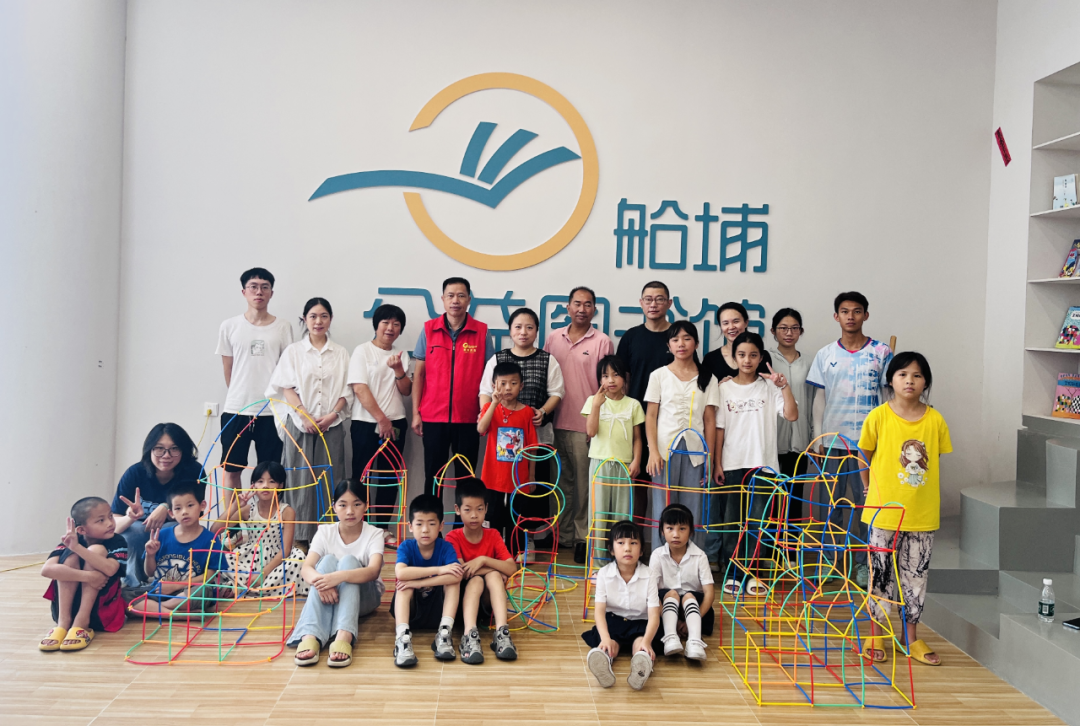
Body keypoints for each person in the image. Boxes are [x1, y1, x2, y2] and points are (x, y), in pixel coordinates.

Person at [858, 352, 951, 667]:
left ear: (925, 382)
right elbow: (864, 454)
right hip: (883, 513)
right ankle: (876, 634)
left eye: (917, 375)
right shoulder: (878, 417)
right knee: (880, 575)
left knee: (916, 578)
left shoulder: (935, 420)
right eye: (902, 374)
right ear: (891, 380)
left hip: (922, 515)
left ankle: (909, 638)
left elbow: (934, 459)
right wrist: (868, 488)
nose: (909, 380)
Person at [806, 292, 893, 588]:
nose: (851, 316)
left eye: (857, 311)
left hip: (868, 445)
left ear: (866, 315)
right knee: (831, 505)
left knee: (865, 505)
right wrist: (817, 437)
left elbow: (888, 396)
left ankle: (864, 564)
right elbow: (819, 398)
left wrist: (886, 438)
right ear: (836, 316)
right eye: (845, 311)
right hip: (833, 442)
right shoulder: (825, 354)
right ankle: (830, 562)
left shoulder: (881, 352)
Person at [712, 332, 798, 597]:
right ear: (734, 357)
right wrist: (717, 464)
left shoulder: (770, 387)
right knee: (732, 523)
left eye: (753, 355)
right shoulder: (724, 388)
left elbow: (792, 415)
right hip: (732, 463)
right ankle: (734, 573)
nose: (747, 360)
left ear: (761, 358)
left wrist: (784, 386)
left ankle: (754, 573)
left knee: (759, 523)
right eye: (741, 355)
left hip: (764, 465)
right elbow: (719, 429)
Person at [268, 297, 352, 545]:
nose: (318, 321)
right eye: (313, 316)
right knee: (298, 478)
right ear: (304, 319)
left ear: (331, 319)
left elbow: (348, 390)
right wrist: (304, 415)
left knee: (330, 477)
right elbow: (285, 386)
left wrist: (333, 415)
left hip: (331, 424)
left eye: (324, 316)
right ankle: (298, 538)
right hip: (299, 424)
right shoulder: (294, 351)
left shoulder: (341, 353)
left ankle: (329, 536)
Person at [480, 307, 564, 554]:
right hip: (499, 434)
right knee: (498, 498)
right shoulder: (497, 359)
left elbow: (557, 392)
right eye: (518, 327)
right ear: (510, 330)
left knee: (532, 488)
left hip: (534, 433)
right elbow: (485, 391)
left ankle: (527, 538)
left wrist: (542, 412)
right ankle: (498, 544)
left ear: (537, 331)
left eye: (529, 327)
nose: (523, 332)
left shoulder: (547, 359)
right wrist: (488, 411)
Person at [544, 286, 614, 563]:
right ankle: (561, 534)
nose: (582, 309)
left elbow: (607, 386)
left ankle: (583, 538)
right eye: (577, 303)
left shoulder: (602, 341)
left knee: (585, 486)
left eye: (587, 304)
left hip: (585, 425)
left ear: (594, 309)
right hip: (555, 422)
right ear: (568, 307)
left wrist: (595, 423)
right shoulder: (553, 338)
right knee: (560, 483)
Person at [412, 277, 495, 498]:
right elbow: (419, 375)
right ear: (443, 299)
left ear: (469, 299)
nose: (455, 300)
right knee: (433, 477)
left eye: (460, 295)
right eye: (450, 295)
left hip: (468, 418)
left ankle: (463, 521)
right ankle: (431, 520)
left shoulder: (482, 332)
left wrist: (485, 413)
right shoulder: (428, 330)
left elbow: (489, 378)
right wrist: (416, 413)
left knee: (466, 480)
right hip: (433, 417)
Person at [290, 479, 385, 668]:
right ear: (334, 507)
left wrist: (338, 577)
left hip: (365, 599)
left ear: (366, 506)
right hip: (329, 595)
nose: (350, 511)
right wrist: (322, 584)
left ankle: (344, 635)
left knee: (349, 561)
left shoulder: (374, 533)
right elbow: (306, 568)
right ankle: (311, 635)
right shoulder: (325, 532)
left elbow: (373, 571)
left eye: (357, 504)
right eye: (343, 505)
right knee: (326, 561)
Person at [216, 267, 294, 493]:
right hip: (236, 409)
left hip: (272, 411)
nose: (259, 292)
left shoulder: (283, 327)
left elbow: (287, 370)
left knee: (270, 473)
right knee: (232, 470)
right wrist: (241, 394)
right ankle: (233, 516)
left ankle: (266, 516)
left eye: (264, 287)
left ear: (271, 293)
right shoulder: (229, 326)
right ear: (244, 292)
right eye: (253, 287)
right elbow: (228, 369)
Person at [644, 321, 718, 552]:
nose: (681, 344)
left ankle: (693, 562)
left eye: (687, 338)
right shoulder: (659, 375)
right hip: (663, 452)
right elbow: (651, 416)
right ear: (669, 345)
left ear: (696, 343)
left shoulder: (709, 378)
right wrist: (652, 451)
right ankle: (660, 561)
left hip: (696, 452)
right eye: (675, 339)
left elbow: (709, 421)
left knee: (693, 509)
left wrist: (710, 459)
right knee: (662, 508)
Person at [111, 422, 206, 587]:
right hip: (139, 528)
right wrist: (130, 518)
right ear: (150, 449)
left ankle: (170, 582)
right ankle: (133, 586)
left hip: (174, 526)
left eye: (174, 448)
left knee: (170, 531)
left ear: (183, 450)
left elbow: (194, 514)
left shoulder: (193, 471)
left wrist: (166, 507)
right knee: (133, 533)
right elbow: (114, 527)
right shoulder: (135, 473)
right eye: (159, 448)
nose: (166, 455)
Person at [349, 303, 412, 542]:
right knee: (362, 476)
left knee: (389, 478)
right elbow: (359, 388)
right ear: (376, 325)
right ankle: (360, 527)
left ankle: (382, 529)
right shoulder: (362, 351)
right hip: (365, 423)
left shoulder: (402, 355)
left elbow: (406, 390)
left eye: (396, 324)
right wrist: (381, 419)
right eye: (386, 322)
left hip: (396, 423)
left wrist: (398, 370)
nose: (390, 328)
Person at [616, 282, 674, 523]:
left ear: (669, 303)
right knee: (637, 484)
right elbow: (622, 379)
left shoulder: (678, 337)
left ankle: (668, 538)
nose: (653, 304)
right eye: (648, 299)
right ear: (641, 303)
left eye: (659, 299)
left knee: (667, 486)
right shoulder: (631, 337)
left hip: (670, 422)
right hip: (637, 419)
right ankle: (635, 538)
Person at [39, 497, 129, 652]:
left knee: (96, 550)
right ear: (81, 530)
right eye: (101, 520)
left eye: (110, 516)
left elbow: (110, 569)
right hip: (64, 610)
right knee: (70, 557)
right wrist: (89, 577)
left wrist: (77, 548)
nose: (110, 523)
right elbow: (47, 570)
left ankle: (82, 622)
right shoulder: (71, 540)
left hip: (102, 612)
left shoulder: (117, 541)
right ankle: (63, 623)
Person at [445, 478, 519, 664]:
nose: (474, 515)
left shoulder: (493, 535)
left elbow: (512, 568)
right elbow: (463, 572)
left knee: (493, 576)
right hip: (461, 606)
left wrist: (483, 560)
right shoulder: (453, 537)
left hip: (486, 605)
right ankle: (469, 635)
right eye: (467, 510)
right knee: (482, 578)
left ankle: (502, 632)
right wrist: (494, 566)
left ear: (486, 508)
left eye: (479, 509)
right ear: (457, 509)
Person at [582, 520, 660, 691]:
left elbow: (654, 615)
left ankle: (641, 664)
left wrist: (646, 641)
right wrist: (605, 639)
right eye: (621, 543)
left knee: (640, 644)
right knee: (610, 643)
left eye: (633, 543)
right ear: (611, 549)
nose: (627, 548)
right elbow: (599, 612)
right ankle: (604, 660)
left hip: (640, 623)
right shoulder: (604, 574)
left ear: (642, 550)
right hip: (614, 621)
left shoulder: (649, 575)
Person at [392, 494, 464, 667]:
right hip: (413, 611)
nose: (425, 530)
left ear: (441, 526)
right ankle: (402, 637)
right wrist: (438, 570)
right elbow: (400, 573)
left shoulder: (445, 547)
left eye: (431, 524)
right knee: (404, 586)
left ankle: (444, 633)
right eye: (419, 524)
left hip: (437, 609)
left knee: (453, 582)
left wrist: (418, 582)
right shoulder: (406, 547)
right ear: (410, 526)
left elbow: (457, 575)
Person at [216, 461, 308, 598]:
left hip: (276, 559)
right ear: (253, 485)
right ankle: (248, 586)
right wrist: (235, 505)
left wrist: (262, 574)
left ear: (280, 485)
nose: (265, 485)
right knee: (222, 559)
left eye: (272, 481)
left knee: (299, 558)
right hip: (250, 557)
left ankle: (245, 587)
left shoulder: (287, 511)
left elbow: (286, 549)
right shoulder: (248, 510)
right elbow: (215, 529)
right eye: (260, 481)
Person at [582, 355, 644, 545]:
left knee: (622, 513)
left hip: (624, 465)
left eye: (616, 375)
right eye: (605, 376)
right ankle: (597, 557)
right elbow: (591, 432)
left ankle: (621, 555)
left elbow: (637, 438)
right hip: (599, 463)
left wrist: (636, 461)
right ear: (599, 380)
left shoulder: (633, 404)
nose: (611, 380)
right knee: (598, 512)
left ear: (624, 377)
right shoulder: (593, 401)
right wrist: (596, 405)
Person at [478, 361, 538, 551]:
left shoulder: (527, 412)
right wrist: (494, 404)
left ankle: (515, 553)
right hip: (493, 477)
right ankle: (493, 551)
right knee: (493, 517)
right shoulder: (490, 408)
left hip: (519, 479)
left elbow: (532, 448)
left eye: (513, 383)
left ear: (521, 386)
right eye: (502, 383)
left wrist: (532, 476)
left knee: (517, 518)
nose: (508, 388)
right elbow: (481, 428)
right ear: (494, 385)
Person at [141, 483, 226, 614]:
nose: (184, 511)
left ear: (202, 505)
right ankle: (175, 613)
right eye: (178, 508)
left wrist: (175, 586)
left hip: (188, 591)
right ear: (171, 513)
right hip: (160, 591)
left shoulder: (211, 540)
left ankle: (157, 609)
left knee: (204, 591)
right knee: (125, 595)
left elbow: (210, 577)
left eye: (190, 505)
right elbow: (150, 573)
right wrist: (150, 555)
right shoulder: (162, 535)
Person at [650, 504, 714, 660]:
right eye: (670, 528)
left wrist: (694, 618)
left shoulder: (700, 556)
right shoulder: (657, 555)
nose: (676, 534)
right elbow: (651, 592)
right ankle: (670, 636)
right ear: (662, 530)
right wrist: (665, 618)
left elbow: (709, 593)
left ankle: (695, 640)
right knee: (671, 594)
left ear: (691, 531)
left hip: (695, 609)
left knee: (688, 596)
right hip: (664, 607)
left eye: (682, 529)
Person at [767, 308, 813, 519]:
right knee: (770, 501)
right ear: (773, 331)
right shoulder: (766, 359)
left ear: (800, 331)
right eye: (783, 328)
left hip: (800, 440)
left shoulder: (809, 363)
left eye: (794, 328)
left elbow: (813, 400)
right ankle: (770, 542)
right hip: (772, 440)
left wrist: (813, 437)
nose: (789, 333)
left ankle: (792, 541)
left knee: (794, 498)